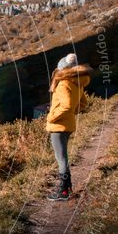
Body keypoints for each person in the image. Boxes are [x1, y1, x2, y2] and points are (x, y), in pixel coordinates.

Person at [45, 53, 93, 201]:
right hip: (68, 124)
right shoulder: (77, 82)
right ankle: (68, 187)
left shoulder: (64, 83)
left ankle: (63, 192)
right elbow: (84, 104)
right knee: (63, 157)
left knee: (61, 158)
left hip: (58, 126)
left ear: (63, 69)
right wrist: (72, 112)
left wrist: (51, 117)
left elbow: (66, 105)